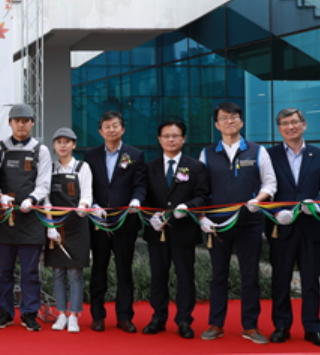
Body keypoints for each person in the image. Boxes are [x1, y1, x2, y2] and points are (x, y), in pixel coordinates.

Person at [199, 102, 276, 344]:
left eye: (234, 117)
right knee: (218, 275)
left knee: (250, 276)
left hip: (249, 223)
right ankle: (216, 323)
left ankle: (250, 326)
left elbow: (270, 183)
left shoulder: (257, 151)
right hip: (217, 225)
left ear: (241, 122)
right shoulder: (207, 153)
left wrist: (258, 199)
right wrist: (202, 218)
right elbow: (200, 189)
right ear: (217, 124)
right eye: (224, 118)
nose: (229, 121)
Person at [265, 108, 320, 348]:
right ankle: (281, 326)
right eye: (284, 123)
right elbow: (262, 189)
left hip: (310, 227)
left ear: (304, 125)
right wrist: (276, 212)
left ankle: (313, 328)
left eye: (294, 122)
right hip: (281, 227)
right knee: (280, 279)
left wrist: (316, 204)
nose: (290, 127)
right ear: (279, 129)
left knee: (310, 281)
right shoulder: (269, 155)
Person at [141, 120, 208, 339]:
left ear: (184, 139)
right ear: (159, 139)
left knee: (185, 277)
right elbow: (143, 196)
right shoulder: (149, 167)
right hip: (157, 231)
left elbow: (203, 195)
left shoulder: (195, 166)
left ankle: (184, 320)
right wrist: (149, 216)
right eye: (166, 136)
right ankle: (158, 318)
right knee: (158, 276)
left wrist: (188, 207)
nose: (171, 139)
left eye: (175, 135)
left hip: (184, 231)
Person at [84, 110, 147, 333]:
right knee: (98, 270)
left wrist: (136, 201)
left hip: (125, 221)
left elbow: (140, 184)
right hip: (99, 222)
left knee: (124, 271)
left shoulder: (135, 155)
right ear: (100, 131)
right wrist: (93, 205)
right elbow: (87, 185)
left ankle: (124, 317)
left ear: (123, 128)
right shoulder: (90, 155)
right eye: (107, 126)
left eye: (115, 126)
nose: (111, 130)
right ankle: (97, 316)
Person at [0, 103, 51, 332]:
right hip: (4, 217)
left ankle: (29, 313)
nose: (21, 125)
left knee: (30, 272)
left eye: (26, 121)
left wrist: (33, 199)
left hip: (30, 219)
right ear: (10, 123)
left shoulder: (40, 150)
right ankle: (4, 312)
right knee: (4, 270)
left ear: (32, 123)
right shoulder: (0, 149)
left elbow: (44, 182)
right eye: (17, 121)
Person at [43, 127, 92, 334]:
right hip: (57, 226)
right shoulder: (50, 169)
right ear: (54, 146)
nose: (63, 145)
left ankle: (74, 315)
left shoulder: (82, 167)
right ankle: (61, 313)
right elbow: (45, 199)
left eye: (67, 141)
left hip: (77, 225)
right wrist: (50, 225)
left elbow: (87, 194)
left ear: (74, 145)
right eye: (59, 142)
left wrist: (83, 206)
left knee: (75, 272)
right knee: (58, 271)